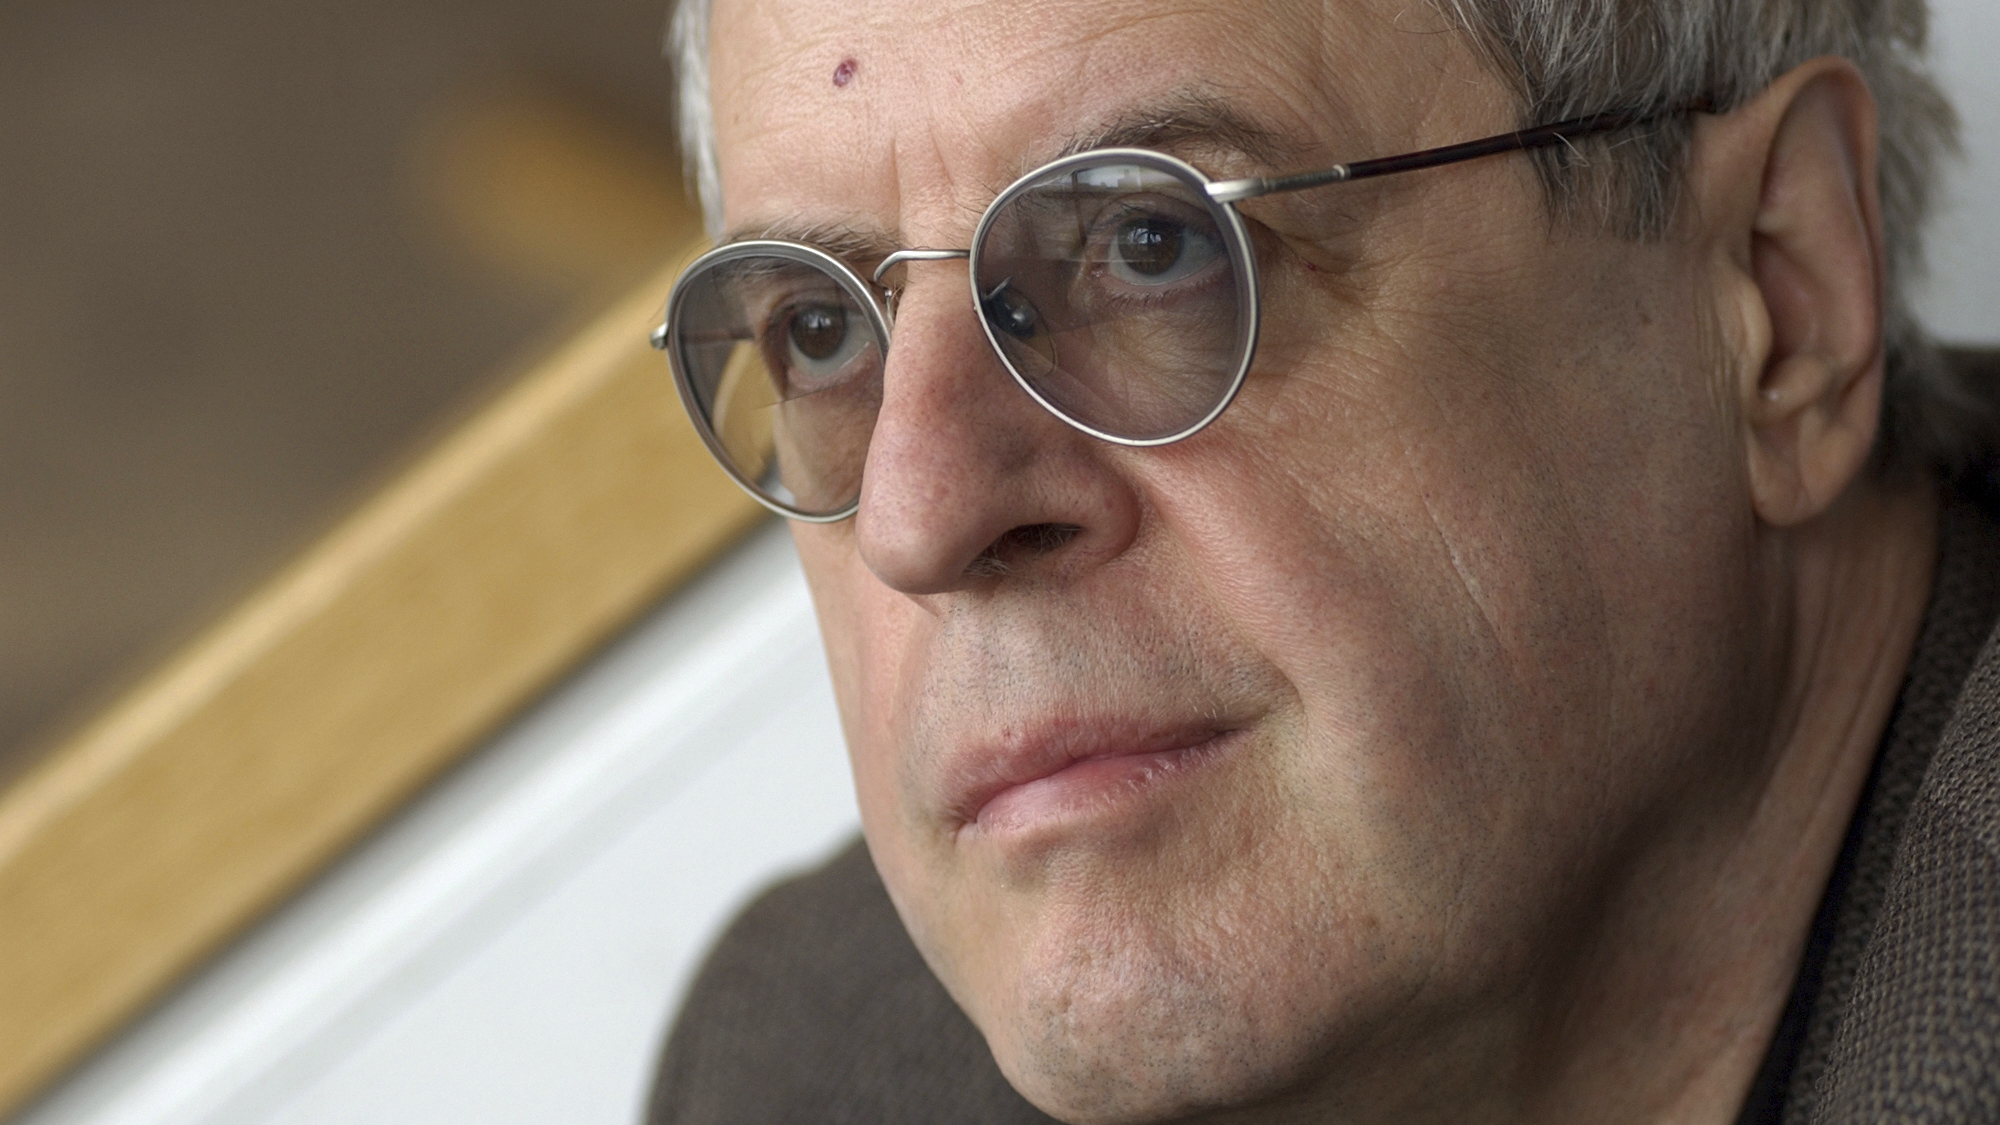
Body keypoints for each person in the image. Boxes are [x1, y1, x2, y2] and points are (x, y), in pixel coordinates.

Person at [644, 0, 2000, 1121]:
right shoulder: (810, 1069)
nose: (919, 516)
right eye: (817, 333)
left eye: (1153, 244)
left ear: (1779, 290)